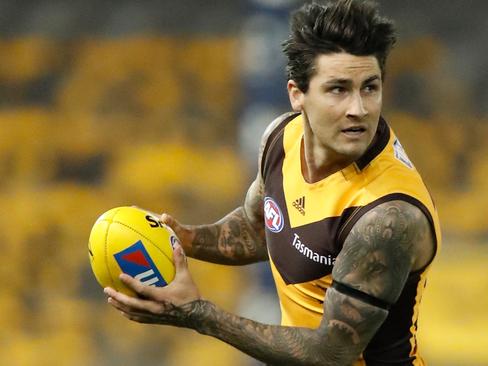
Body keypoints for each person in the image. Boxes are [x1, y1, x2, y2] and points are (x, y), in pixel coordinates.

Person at [104, 0, 441, 364]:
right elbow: (260, 228)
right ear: (297, 94)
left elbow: (330, 352)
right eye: (338, 89)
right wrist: (182, 239)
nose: (357, 109)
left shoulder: (387, 217)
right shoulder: (281, 139)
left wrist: (198, 313)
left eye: (370, 88)